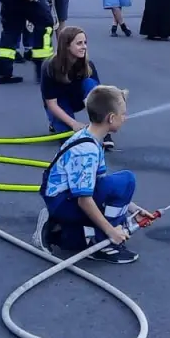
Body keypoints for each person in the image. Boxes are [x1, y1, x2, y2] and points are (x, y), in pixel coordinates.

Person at [34, 85, 151, 264]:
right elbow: (84, 200)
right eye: (123, 114)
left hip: (63, 198)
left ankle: (59, 231)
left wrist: (133, 209)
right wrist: (112, 232)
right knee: (126, 181)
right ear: (111, 118)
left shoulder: (90, 138)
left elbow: (99, 182)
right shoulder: (87, 150)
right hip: (63, 201)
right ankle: (103, 244)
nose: (125, 118)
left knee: (117, 187)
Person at [40, 25, 114, 150]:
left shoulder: (87, 65)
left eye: (85, 43)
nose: (84, 46)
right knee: (69, 140)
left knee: (90, 84)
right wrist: (74, 124)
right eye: (79, 43)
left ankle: (103, 129)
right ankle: (56, 123)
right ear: (67, 46)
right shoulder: (50, 67)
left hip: (78, 99)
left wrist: (100, 123)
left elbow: (99, 97)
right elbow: (51, 104)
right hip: (59, 103)